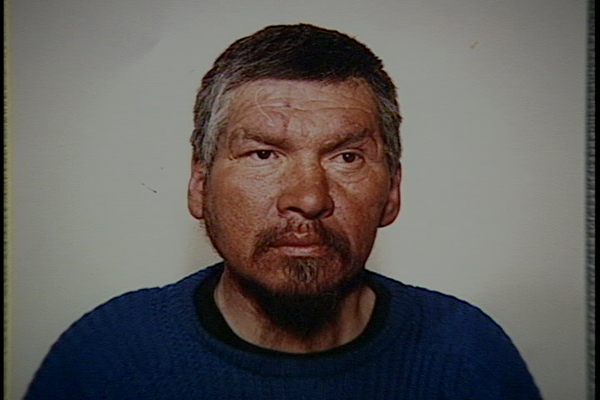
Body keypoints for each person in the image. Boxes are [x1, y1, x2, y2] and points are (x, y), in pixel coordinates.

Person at [25, 23, 542, 399]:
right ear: (200, 184)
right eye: (264, 154)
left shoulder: (470, 356)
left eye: (347, 157)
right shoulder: (106, 358)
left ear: (392, 191)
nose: (309, 198)